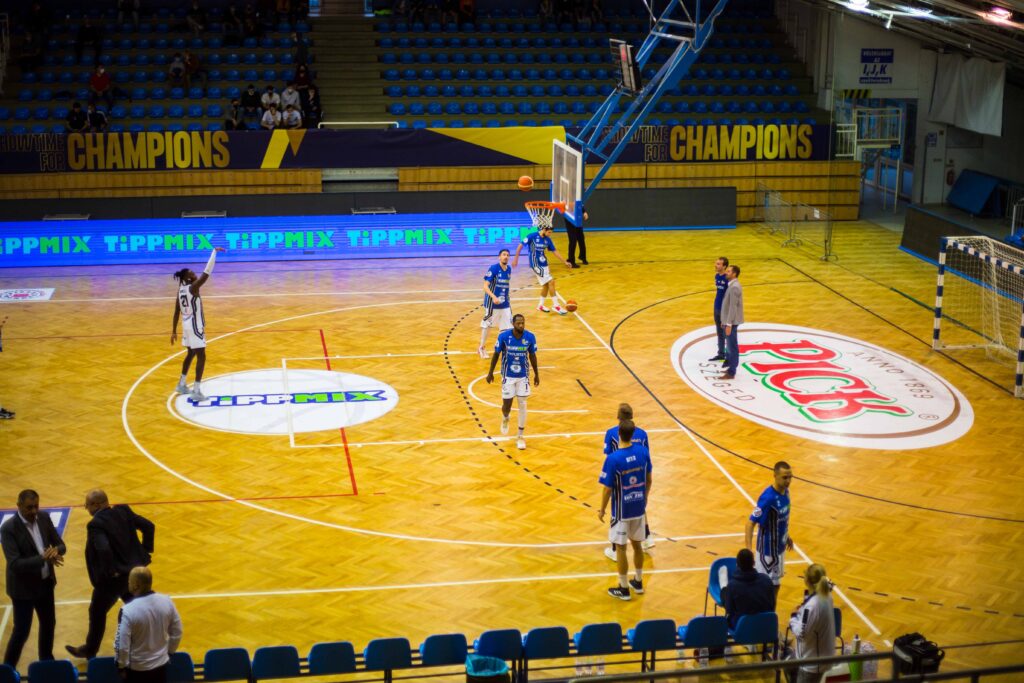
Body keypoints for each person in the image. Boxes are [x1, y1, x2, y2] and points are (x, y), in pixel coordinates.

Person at [65, 490, 155, 660]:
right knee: (138, 607)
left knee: (97, 611)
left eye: (87, 505)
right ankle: (150, 644)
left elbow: (103, 548)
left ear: (96, 504)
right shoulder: (123, 511)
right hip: (134, 575)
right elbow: (149, 526)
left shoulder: (96, 524)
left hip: (113, 580)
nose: (87, 509)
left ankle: (90, 650)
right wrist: (144, 552)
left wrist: (111, 571)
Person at [2, 489, 66, 670]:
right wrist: (43, 558)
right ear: (19, 506)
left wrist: (56, 550)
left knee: (48, 625)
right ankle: (7, 670)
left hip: (45, 584)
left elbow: (61, 544)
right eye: (29, 507)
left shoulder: (44, 518)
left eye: (36, 506)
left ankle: (46, 663)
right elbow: (15, 564)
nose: (34, 511)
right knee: (21, 632)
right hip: (23, 590)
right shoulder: (8, 528)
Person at [598, 420, 652, 601]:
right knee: (637, 545)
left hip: (622, 511)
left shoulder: (613, 459)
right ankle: (638, 581)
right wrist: (644, 498)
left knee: (620, 549)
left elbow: (607, 489)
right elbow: (649, 479)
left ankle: (623, 587)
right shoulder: (643, 452)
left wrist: (602, 509)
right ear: (633, 433)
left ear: (619, 434)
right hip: (639, 508)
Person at [171, 248, 225, 401]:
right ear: (188, 278)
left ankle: (181, 384)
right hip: (195, 326)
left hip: (186, 326)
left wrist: (173, 331)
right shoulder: (193, 287)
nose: (195, 274)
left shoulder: (180, 290)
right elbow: (207, 272)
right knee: (202, 356)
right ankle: (196, 390)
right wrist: (214, 253)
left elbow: (176, 312)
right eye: (192, 273)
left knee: (191, 353)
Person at [602, 403, 654, 561]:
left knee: (617, 509)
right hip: (639, 473)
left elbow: (608, 455)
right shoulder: (643, 434)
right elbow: (646, 455)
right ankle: (647, 538)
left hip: (620, 473)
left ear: (618, 416)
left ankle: (615, 549)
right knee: (639, 503)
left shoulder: (612, 433)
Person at [115, 567, 183, 682]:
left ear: (136, 585)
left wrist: (121, 666)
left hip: (136, 671)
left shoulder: (127, 611)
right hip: (161, 667)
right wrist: (169, 652)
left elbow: (122, 646)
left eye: (129, 581)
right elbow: (177, 632)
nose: (128, 584)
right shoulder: (167, 601)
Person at [485, 313, 538, 451]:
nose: (521, 325)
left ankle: (520, 436)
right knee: (506, 405)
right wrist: (490, 372)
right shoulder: (504, 336)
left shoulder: (530, 337)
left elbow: (532, 356)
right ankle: (505, 417)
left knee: (522, 404)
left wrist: (536, 374)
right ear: (513, 324)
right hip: (508, 376)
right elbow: (496, 354)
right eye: (518, 323)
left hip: (523, 376)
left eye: (523, 323)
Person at [745, 461, 794, 597]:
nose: (788, 481)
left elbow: (782, 519)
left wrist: (787, 536)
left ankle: (770, 609)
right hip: (767, 553)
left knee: (776, 586)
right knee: (765, 589)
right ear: (775, 475)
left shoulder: (786, 492)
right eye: (785, 477)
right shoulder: (768, 499)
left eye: (790, 477)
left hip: (779, 548)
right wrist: (748, 550)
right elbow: (750, 524)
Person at [788, 564, 836, 683]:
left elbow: (802, 633)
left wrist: (793, 618)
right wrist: (802, 610)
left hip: (812, 662)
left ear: (808, 581)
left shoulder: (813, 606)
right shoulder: (826, 594)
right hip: (819, 653)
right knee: (788, 667)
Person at [511, 223, 573, 315]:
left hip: (544, 263)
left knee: (546, 285)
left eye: (551, 232)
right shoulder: (532, 236)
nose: (550, 234)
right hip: (535, 264)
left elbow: (555, 251)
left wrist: (565, 262)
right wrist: (516, 259)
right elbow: (520, 245)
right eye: (549, 232)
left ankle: (540, 305)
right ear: (543, 230)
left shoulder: (548, 239)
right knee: (551, 281)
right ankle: (556, 306)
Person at [722, 548, 776, 630]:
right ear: (754, 563)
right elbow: (772, 605)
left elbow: (729, 610)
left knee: (725, 594)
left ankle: (723, 586)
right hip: (764, 627)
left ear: (737, 565)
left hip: (742, 628)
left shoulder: (733, 586)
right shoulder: (767, 580)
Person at [478, 249, 513, 358]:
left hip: (505, 303)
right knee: (487, 325)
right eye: (504, 255)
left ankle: (502, 347)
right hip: (492, 304)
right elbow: (485, 286)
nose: (506, 257)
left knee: (507, 326)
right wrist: (493, 297)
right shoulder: (493, 268)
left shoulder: (509, 269)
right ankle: (481, 347)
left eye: (507, 255)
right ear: (499, 257)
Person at [718, 264, 743, 380]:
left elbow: (733, 307)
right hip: (728, 321)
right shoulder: (732, 285)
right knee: (730, 346)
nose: (726, 273)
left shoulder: (734, 287)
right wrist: (724, 321)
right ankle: (730, 368)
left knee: (732, 347)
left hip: (731, 322)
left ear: (734, 274)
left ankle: (731, 372)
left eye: (728, 271)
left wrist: (728, 324)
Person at [709, 256, 729, 363]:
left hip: (724, 309)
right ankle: (721, 354)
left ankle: (729, 356)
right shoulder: (717, 276)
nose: (715, 265)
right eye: (716, 263)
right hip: (716, 307)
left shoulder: (728, 279)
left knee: (727, 333)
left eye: (718, 264)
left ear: (724, 266)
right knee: (719, 332)